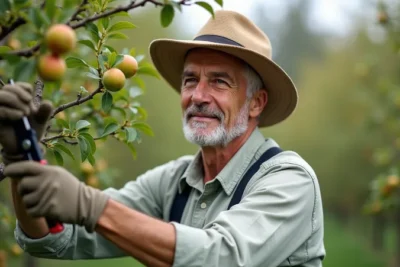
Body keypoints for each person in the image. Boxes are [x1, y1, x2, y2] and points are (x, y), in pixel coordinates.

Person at [0, 10, 325, 267]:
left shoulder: (290, 181)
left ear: (256, 103)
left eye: (219, 82)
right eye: (190, 79)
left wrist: (92, 205)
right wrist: (23, 154)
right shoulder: (173, 183)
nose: (198, 95)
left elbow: (221, 258)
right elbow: (53, 239)